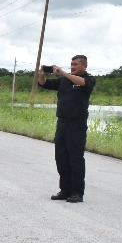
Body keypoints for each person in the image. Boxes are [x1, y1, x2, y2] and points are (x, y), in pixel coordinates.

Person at [37, 54, 96, 203]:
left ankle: (77, 192)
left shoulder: (88, 79)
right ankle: (65, 190)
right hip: (62, 123)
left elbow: (81, 82)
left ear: (84, 66)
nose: (72, 66)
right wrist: (42, 75)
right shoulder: (64, 81)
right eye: (71, 64)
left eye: (76, 64)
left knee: (75, 158)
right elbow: (44, 84)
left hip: (77, 124)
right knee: (61, 157)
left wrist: (64, 73)